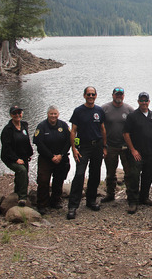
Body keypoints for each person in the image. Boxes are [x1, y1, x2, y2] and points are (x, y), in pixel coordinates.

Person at [67, 86, 107, 220]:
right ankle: (73, 206)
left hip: (97, 146)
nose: (91, 97)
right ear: (84, 96)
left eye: (93, 94)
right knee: (79, 174)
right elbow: (73, 131)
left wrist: (104, 146)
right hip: (83, 147)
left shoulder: (99, 111)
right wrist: (73, 148)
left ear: (96, 96)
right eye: (88, 94)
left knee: (95, 174)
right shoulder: (78, 111)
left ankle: (91, 201)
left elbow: (103, 129)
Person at [123, 92, 152, 214]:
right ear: (138, 101)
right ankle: (133, 202)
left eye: (146, 101)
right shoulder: (132, 116)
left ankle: (144, 197)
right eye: (142, 101)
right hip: (137, 153)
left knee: (148, 176)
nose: (144, 103)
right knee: (134, 177)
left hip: (151, 152)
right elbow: (126, 134)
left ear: (149, 102)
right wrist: (133, 150)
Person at [33, 106, 71, 215]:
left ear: (58, 114)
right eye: (51, 114)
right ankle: (42, 204)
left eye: (55, 114)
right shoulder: (42, 126)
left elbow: (69, 141)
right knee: (43, 181)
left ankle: (55, 201)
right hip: (46, 158)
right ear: (47, 115)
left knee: (58, 180)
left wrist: (61, 155)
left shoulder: (63, 125)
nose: (53, 116)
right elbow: (39, 143)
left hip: (61, 158)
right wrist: (51, 156)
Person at [101, 87, 134, 203]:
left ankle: (130, 195)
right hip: (110, 146)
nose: (118, 96)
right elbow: (100, 127)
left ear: (123, 96)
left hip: (125, 147)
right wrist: (103, 146)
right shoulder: (104, 109)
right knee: (110, 172)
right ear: (113, 95)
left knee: (129, 173)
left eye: (121, 95)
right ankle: (110, 194)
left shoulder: (129, 109)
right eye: (117, 95)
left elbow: (135, 128)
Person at [1, 105, 34, 207]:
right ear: (11, 115)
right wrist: (16, 159)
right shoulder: (7, 130)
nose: (17, 115)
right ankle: (22, 197)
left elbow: (26, 141)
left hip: (23, 156)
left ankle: (16, 192)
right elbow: (6, 148)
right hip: (9, 157)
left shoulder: (24, 125)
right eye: (14, 113)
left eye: (19, 112)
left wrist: (29, 153)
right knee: (22, 171)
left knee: (23, 175)